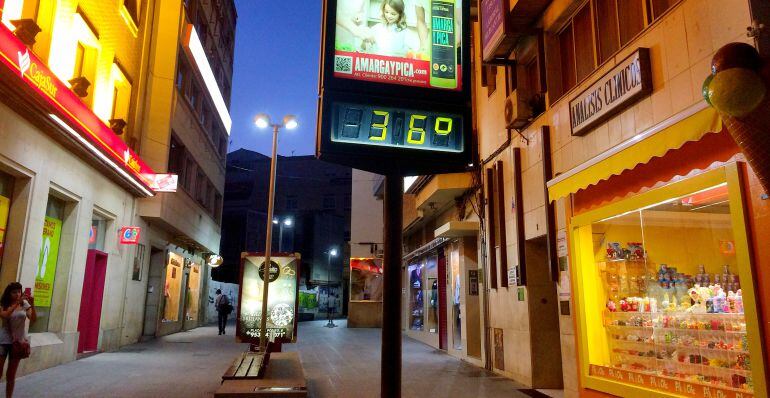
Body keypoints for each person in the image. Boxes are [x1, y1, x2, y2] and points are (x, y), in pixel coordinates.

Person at [0, 283, 36, 398]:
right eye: (14, 292)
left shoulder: (24, 304)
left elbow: (33, 319)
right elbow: (5, 315)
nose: (17, 294)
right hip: (3, 341)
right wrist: (16, 303)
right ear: (9, 293)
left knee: (11, 375)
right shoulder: (4, 304)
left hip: (18, 343)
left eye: (19, 292)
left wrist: (32, 305)